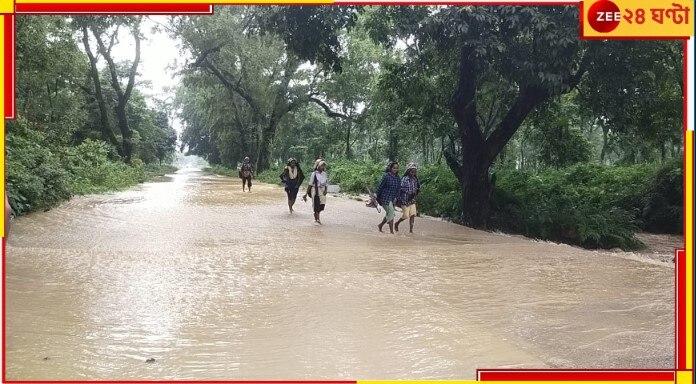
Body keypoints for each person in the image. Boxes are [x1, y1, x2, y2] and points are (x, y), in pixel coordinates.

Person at [376, 161, 400, 234]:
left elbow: (398, 189)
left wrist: (396, 198)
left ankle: (380, 225)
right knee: (391, 214)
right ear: (390, 168)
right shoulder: (386, 176)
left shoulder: (398, 178)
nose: (395, 170)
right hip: (385, 197)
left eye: (396, 168)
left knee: (389, 214)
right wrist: (376, 195)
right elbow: (381, 186)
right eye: (394, 168)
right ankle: (391, 232)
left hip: (392, 199)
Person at [395, 162, 420, 233]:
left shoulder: (415, 180)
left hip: (412, 200)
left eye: (414, 171)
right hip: (404, 200)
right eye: (412, 171)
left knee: (413, 214)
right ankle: (397, 223)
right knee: (406, 216)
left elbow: (417, 190)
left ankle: (411, 230)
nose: (413, 172)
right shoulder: (404, 179)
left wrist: (415, 198)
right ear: (408, 171)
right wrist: (397, 199)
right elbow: (400, 189)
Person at [303, 159, 328, 224]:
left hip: (322, 191)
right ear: (317, 166)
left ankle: (316, 215)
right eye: (321, 166)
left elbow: (326, 183)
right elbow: (310, 184)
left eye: (323, 166)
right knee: (316, 204)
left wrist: (326, 190)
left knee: (321, 205)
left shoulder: (324, 174)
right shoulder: (314, 174)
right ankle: (318, 219)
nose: (322, 167)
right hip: (315, 190)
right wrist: (306, 194)